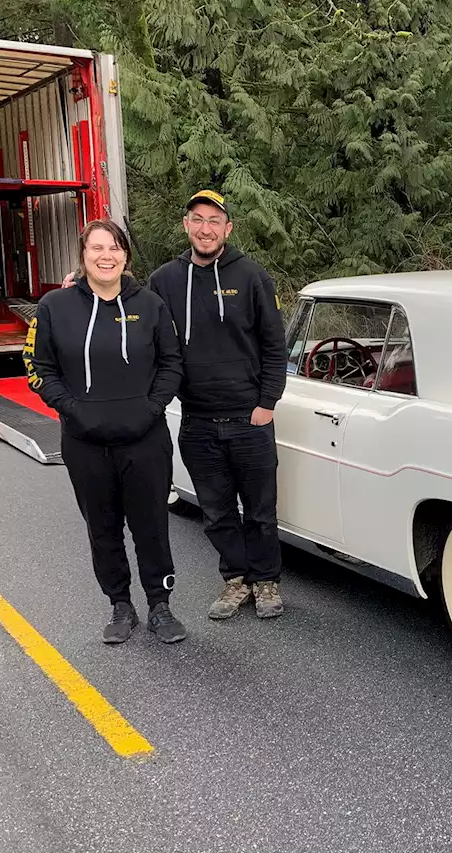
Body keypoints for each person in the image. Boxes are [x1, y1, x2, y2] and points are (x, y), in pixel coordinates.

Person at [24, 219, 188, 644]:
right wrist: (72, 410)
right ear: (83, 256)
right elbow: (38, 368)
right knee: (103, 527)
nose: (106, 256)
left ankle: (160, 606)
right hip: (85, 442)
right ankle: (120, 604)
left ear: (125, 256)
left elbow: (172, 364)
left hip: (145, 439)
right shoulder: (54, 307)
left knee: (151, 525)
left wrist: (153, 408)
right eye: (96, 248)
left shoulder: (150, 306)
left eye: (114, 248)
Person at [147, 190, 289, 621]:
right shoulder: (164, 281)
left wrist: (267, 403)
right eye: (197, 219)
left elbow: (274, 344)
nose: (205, 228)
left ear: (227, 229)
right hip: (198, 421)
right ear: (186, 224)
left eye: (214, 220)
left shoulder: (251, 276)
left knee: (261, 510)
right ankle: (236, 580)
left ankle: (266, 582)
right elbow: (141, 331)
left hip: (250, 418)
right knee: (216, 512)